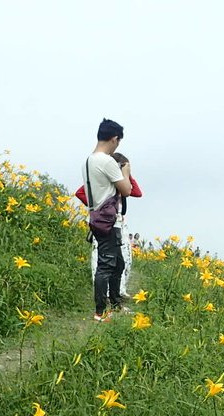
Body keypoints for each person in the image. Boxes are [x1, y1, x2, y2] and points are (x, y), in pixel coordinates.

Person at [83, 118, 132, 321]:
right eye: (118, 142)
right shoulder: (106, 161)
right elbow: (127, 190)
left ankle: (115, 304)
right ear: (114, 139)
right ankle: (100, 312)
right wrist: (126, 171)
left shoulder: (89, 160)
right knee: (106, 265)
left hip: (99, 217)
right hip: (107, 221)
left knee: (117, 263)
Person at [76, 151, 143, 298]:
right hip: (103, 223)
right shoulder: (101, 181)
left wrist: (127, 176)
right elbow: (80, 192)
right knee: (103, 261)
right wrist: (97, 208)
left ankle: (117, 294)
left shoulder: (120, 182)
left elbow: (137, 192)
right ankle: (103, 299)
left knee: (120, 262)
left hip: (117, 224)